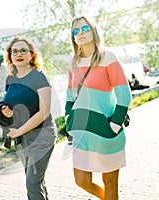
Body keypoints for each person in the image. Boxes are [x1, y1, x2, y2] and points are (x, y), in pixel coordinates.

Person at [64, 15, 131, 200]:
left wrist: (114, 126)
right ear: (73, 37)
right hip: (81, 133)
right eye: (75, 31)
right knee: (81, 181)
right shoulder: (73, 62)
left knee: (110, 183)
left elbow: (124, 95)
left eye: (85, 29)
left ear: (94, 30)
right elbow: (70, 95)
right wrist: (69, 119)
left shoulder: (108, 57)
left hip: (106, 133)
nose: (80, 33)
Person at [0, 37, 57, 200]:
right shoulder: (9, 79)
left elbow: (44, 112)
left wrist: (19, 131)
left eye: (23, 50)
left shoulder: (39, 76)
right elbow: (14, 106)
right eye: (14, 51)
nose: (19, 54)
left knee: (32, 183)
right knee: (37, 182)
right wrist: (7, 112)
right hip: (23, 139)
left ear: (32, 55)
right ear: (10, 56)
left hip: (42, 136)